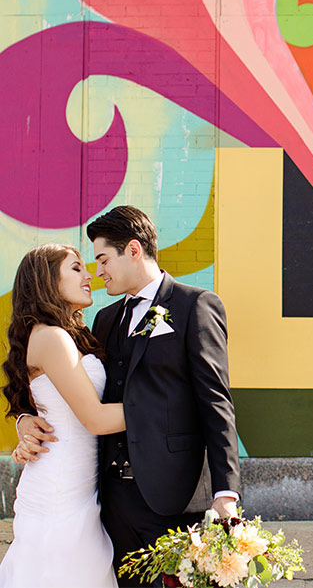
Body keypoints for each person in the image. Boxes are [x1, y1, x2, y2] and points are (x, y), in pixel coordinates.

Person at [16, 206, 242, 587]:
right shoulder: (104, 320)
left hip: (174, 497)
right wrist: (25, 419)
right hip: (109, 503)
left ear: (133, 250)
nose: (98, 271)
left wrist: (227, 493)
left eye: (103, 259)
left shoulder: (195, 306)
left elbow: (216, 403)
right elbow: (56, 386)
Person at [1, 244, 123, 587]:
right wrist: (170, 411)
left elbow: (43, 404)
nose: (89, 276)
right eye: (76, 268)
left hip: (81, 487)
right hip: (59, 490)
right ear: (47, 280)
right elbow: (95, 419)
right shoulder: (52, 337)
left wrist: (24, 420)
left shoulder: (71, 336)